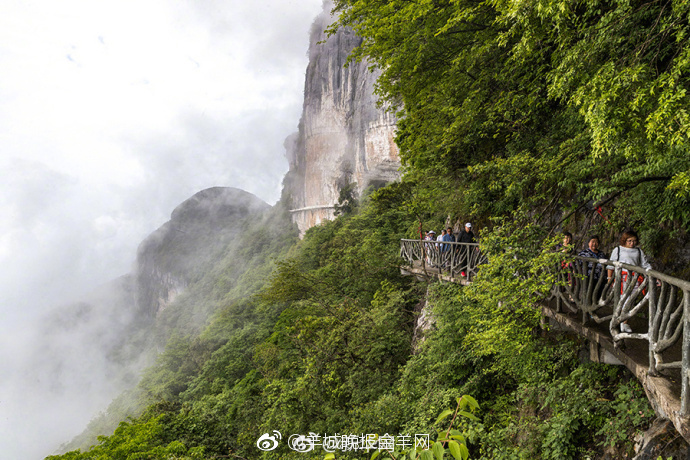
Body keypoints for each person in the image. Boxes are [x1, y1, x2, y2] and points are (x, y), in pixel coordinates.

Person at [606, 229, 653, 333]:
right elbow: (610, 265)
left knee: (631, 301)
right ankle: (621, 322)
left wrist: (651, 274)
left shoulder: (638, 251)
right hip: (621, 279)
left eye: (634, 241)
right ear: (624, 240)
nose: (632, 243)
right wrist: (609, 279)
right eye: (629, 241)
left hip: (635, 279)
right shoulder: (618, 249)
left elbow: (644, 264)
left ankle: (623, 322)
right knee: (623, 301)